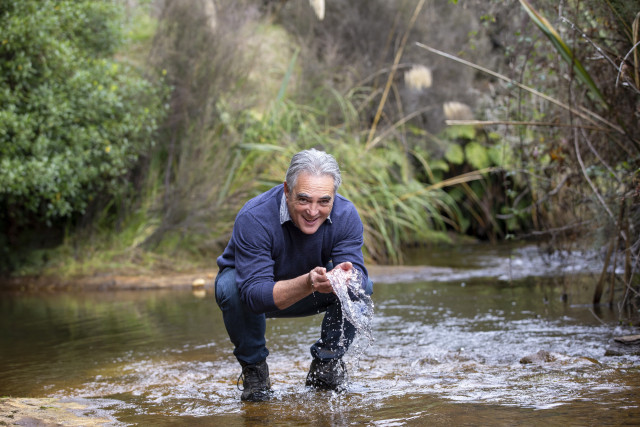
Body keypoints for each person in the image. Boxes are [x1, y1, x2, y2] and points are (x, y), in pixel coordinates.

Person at [215, 148, 373, 402]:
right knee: (229, 288)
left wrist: (344, 277)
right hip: (255, 296)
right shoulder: (254, 216)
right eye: (303, 199)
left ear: (334, 196)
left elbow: (358, 276)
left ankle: (326, 366)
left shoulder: (345, 214)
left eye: (324, 201)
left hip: (311, 291)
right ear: (287, 191)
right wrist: (309, 282)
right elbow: (254, 296)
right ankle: (255, 371)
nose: (313, 211)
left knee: (360, 287)